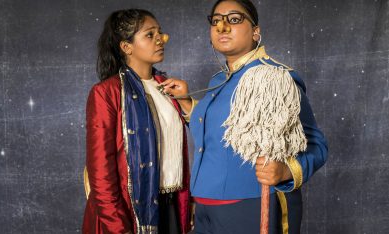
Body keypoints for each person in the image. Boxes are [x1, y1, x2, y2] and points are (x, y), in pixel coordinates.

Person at [160, 0, 328, 233]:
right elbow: (222, 133)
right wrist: (188, 103)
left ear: (255, 31)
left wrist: (286, 171)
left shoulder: (274, 78)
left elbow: (317, 146)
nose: (222, 27)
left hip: (249, 205)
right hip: (204, 206)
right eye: (216, 20)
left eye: (234, 19)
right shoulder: (218, 80)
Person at [82, 9, 191, 234]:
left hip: (170, 206)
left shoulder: (169, 88)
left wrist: (186, 101)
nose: (160, 39)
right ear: (126, 46)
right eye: (149, 35)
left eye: (160, 33)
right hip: (129, 211)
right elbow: (100, 172)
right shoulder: (106, 93)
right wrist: (118, 227)